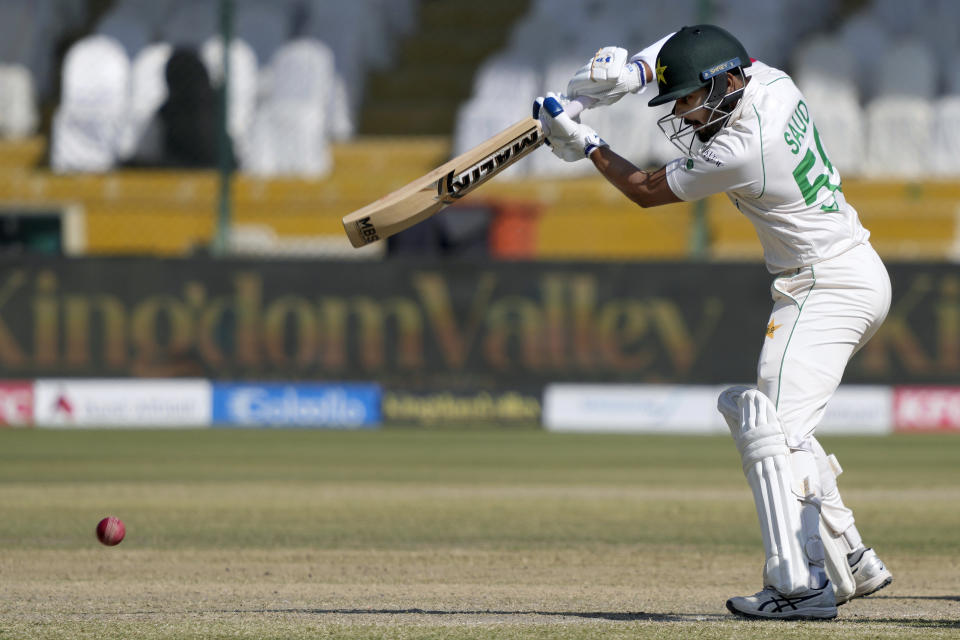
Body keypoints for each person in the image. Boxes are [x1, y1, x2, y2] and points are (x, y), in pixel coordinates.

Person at [534, 25, 893, 620]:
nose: (681, 113)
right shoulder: (770, 79)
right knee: (786, 426)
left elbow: (647, 191)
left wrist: (588, 144)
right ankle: (851, 556)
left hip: (824, 286)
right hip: (851, 269)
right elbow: (691, 38)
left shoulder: (743, 149)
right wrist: (636, 75)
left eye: (688, 99)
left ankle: (799, 586)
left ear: (727, 82)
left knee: (767, 427)